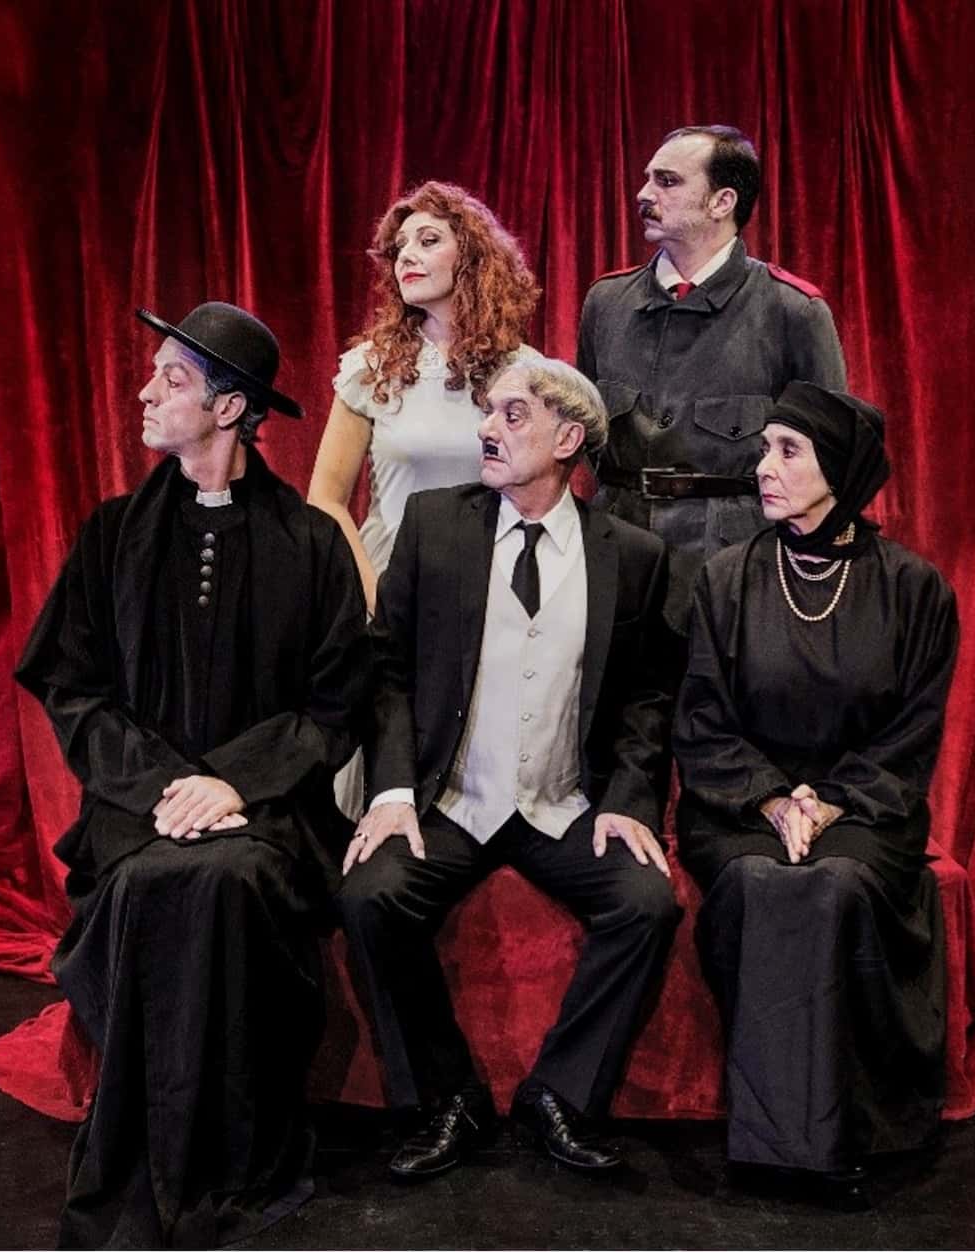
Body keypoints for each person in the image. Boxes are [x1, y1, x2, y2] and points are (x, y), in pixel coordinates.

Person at [16, 302, 372, 1248]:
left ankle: (232, 1158)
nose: (145, 391)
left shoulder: (312, 544)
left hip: (270, 813)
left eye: (171, 379)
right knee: (154, 880)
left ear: (229, 407)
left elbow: (336, 704)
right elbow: (73, 687)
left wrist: (235, 783)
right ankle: (145, 1153)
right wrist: (166, 787)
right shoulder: (112, 536)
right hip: (136, 806)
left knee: (228, 878)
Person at [335, 357, 680, 1180]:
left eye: (512, 414)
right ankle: (447, 1095)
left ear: (568, 439)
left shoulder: (631, 554)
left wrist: (628, 799)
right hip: (455, 798)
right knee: (370, 896)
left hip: (561, 803)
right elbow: (386, 668)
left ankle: (560, 1092)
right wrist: (392, 790)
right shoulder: (435, 523)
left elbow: (646, 696)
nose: (487, 428)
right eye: (487, 411)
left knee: (647, 904)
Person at [672, 381, 958, 1209]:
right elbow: (703, 721)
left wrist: (830, 800)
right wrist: (772, 799)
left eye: (787, 450)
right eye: (764, 447)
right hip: (740, 805)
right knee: (760, 881)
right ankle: (782, 1147)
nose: (762, 466)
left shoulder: (914, 589)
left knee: (835, 885)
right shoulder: (725, 580)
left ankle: (835, 1134)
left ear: (839, 467)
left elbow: (913, 731)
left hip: (866, 807)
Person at [578, 124, 847, 632]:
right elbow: (585, 436)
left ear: (722, 201)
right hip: (617, 561)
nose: (644, 193)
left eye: (667, 181)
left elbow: (828, 465)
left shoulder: (792, 311)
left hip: (737, 574)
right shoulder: (607, 304)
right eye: (647, 178)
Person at [308, 180, 541, 616]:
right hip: (389, 593)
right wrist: (373, 595)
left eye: (428, 241)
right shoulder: (370, 368)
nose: (407, 256)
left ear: (471, 256)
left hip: (493, 596)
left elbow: (540, 496)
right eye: (400, 247)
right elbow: (325, 499)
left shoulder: (524, 372)